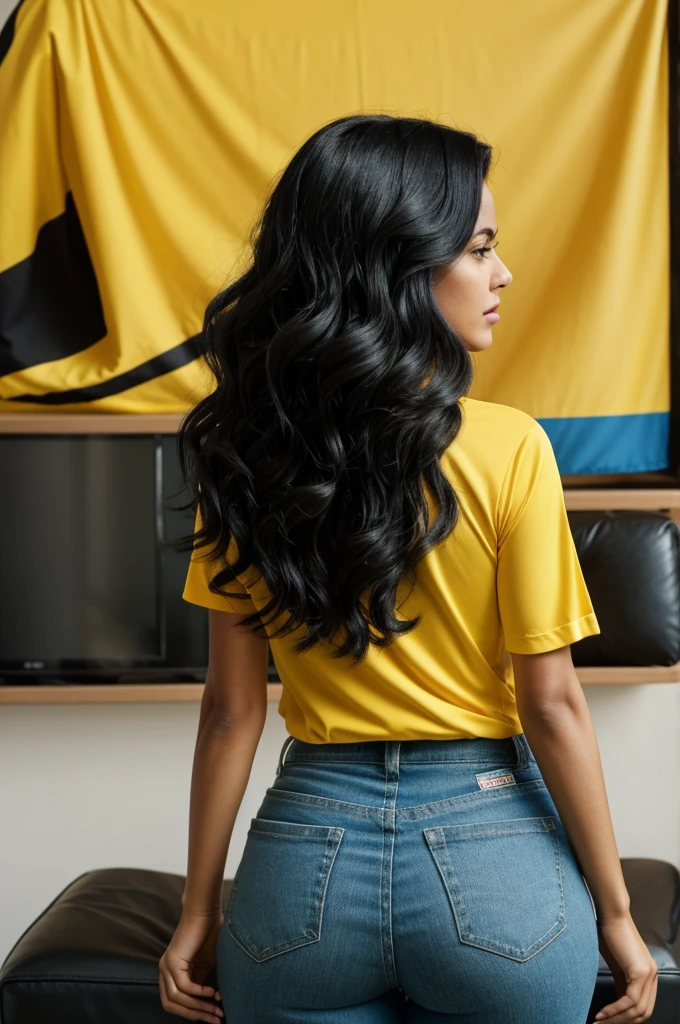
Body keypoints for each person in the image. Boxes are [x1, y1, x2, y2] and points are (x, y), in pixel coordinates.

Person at [158, 114, 658, 1024]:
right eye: (478, 249)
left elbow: (232, 712)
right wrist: (618, 915)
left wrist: (198, 912)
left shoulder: (244, 452)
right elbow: (551, 704)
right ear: (398, 266)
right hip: (493, 858)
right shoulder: (511, 448)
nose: (502, 275)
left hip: (301, 872)